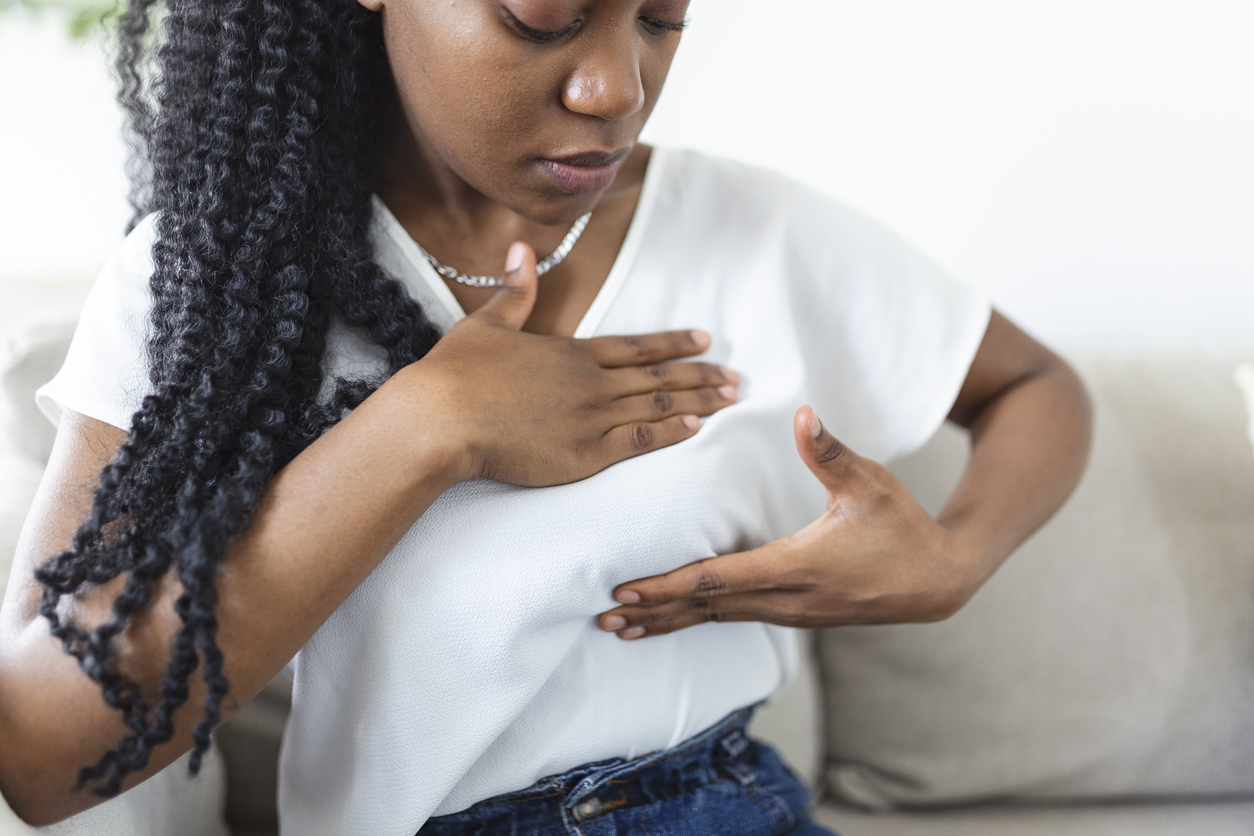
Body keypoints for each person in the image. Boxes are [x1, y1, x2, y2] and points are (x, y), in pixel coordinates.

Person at [0, 0, 1092, 834]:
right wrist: (427, 425)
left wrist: (959, 555)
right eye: (545, 16)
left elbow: (1036, 386)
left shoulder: (753, 229)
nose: (619, 86)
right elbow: (42, 746)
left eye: (662, 17)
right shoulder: (215, 286)